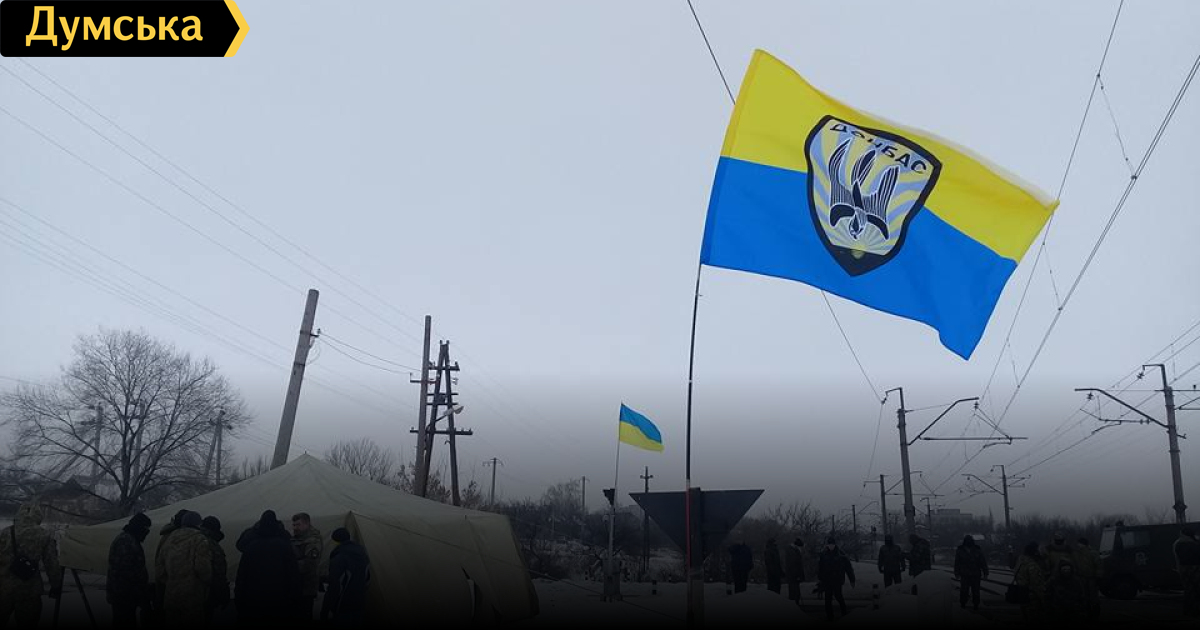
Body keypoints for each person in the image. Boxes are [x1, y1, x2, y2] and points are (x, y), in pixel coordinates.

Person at [0, 501, 63, 629]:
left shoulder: (6, 532)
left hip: (4, 588)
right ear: (38, 516)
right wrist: (56, 585)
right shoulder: (44, 535)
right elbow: (51, 564)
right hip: (29, 590)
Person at [235, 509, 302, 624]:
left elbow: (241, 576)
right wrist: (295, 600)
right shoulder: (285, 546)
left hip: (253, 599)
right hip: (280, 599)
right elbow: (293, 575)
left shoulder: (250, 547)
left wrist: (239, 599)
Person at [156, 510, 213, 628]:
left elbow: (160, 569)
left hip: (171, 596)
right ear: (198, 524)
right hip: (192, 597)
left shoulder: (169, 539)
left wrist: (171, 582)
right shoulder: (200, 539)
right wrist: (207, 583)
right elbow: (203, 568)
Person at [106, 512, 152, 628]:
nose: (147, 532)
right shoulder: (126, 541)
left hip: (125, 595)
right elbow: (125, 572)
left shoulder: (129, 539)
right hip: (123, 596)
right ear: (139, 527)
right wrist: (140, 591)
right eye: (145, 528)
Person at [320, 528, 371, 628]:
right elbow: (367, 580)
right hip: (360, 603)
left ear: (336, 542)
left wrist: (325, 610)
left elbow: (335, 586)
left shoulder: (339, 558)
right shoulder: (363, 555)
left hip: (342, 606)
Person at [292, 512, 324, 620]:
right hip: (297, 585)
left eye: (298, 524)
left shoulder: (313, 540)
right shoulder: (297, 538)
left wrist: (290, 566)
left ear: (307, 524)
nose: (295, 527)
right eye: (294, 525)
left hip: (306, 586)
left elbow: (310, 563)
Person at [816, 536, 855, 621]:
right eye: (829, 544)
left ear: (834, 545)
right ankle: (830, 617)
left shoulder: (841, 555)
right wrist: (820, 579)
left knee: (839, 597)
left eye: (832, 545)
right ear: (827, 545)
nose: (831, 546)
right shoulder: (824, 554)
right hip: (827, 580)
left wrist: (852, 580)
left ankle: (844, 613)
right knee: (827, 599)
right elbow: (821, 568)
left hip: (837, 580)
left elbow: (848, 568)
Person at [200, 516, 230, 625]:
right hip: (206, 594)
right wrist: (223, 592)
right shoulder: (211, 545)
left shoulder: (190, 539)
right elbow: (218, 572)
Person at [1013, 541, 1048, 622]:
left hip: (1022, 593)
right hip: (1032, 597)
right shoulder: (1032, 565)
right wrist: (1043, 599)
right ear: (1035, 551)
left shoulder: (1021, 561)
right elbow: (1036, 583)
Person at [953, 535, 989, 610]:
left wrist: (985, 572)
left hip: (972, 574)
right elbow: (957, 563)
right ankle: (964, 603)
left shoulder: (963, 550)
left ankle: (974, 604)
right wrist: (985, 572)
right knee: (966, 590)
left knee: (974, 590)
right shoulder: (963, 550)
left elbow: (982, 562)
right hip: (968, 573)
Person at [1072, 536, 1101, 620]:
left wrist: (1098, 577)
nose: (1078, 545)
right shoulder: (1077, 553)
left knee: (1092, 597)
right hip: (1082, 578)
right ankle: (1087, 613)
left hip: (1091, 578)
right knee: (1084, 596)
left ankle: (1094, 614)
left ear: (1083, 544)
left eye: (1079, 543)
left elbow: (1099, 565)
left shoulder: (1092, 553)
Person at [1174, 525, 1200, 618]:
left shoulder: (1177, 544)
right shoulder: (1195, 544)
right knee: (1196, 590)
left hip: (1184, 569)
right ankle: (1195, 610)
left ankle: (1188, 611)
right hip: (1195, 569)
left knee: (1188, 591)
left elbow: (1177, 558)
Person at [784, 538, 805, 605]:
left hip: (793, 576)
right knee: (794, 593)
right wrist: (798, 575)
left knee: (794, 592)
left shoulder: (792, 551)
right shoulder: (793, 552)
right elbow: (795, 565)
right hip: (794, 576)